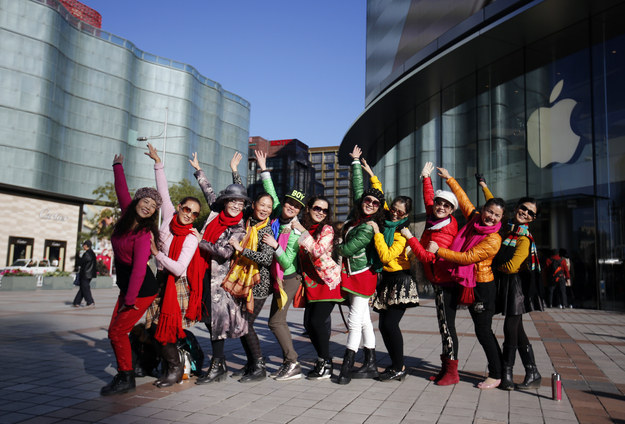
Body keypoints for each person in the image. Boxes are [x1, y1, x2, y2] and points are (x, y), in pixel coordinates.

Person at [101, 154, 162, 396]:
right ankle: (129, 370)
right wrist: (117, 165)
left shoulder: (144, 235)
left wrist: (130, 299)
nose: (148, 206)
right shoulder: (127, 216)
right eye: (145, 201)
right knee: (113, 331)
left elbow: (139, 269)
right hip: (127, 287)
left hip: (140, 289)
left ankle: (126, 376)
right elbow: (121, 189)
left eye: (153, 206)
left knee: (117, 331)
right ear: (137, 201)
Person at [143, 143, 203, 388]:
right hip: (159, 279)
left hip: (176, 284)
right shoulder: (168, 216)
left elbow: (178, 268)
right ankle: (171, 363)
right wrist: (158, 162)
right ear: (179, 207)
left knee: (164, 329)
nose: (189, 214)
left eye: (194, 213)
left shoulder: (190, 237)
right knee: (150, 326)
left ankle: (175, 369)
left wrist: (157, 253)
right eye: (186, 209)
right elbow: (163, 190)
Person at [190, 152, 249, 385]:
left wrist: (200, 241)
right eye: (232, 201)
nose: (236, 205)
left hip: (220, 280)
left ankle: (217, 365)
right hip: (202, 272)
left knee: (217, 322)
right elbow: (209, 192)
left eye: (240, 203)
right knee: (208, 319)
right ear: (225, 203)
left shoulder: (240, 228)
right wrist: (199, 170)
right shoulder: (216, 212)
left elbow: (225, 252)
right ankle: (220, 363)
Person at [400, 162, 459, 385]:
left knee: (447, 327)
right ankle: (446, 369)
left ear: (452, 210)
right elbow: (429, 198)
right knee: (443, 325)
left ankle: (452, 372)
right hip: (438, 281)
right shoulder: (435, 218)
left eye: (446, 205)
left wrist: (410, 237)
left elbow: (426, 257)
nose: (440, 206)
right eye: (439, 203)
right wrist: (425, 177)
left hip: (445, 283)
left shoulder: (444, 230)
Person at [360, 159, 418, 382]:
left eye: (399, 212)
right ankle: (396, 364)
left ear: (406, 215)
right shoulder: (387, 219)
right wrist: (372, 176)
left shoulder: (402, 233)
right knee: (384, 325)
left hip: (400, 280)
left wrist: (376, 232)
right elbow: (381, 198)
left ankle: (399, 366)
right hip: (387, 280)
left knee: (389, 324)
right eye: (393, 209)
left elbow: (385, 256)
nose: (394, 213)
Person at [335, 146, 386, 385]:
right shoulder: (359, 217)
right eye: (368, 200)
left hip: (362, 276)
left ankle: (346, 367)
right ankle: (371, 363)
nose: (370, 204)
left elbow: (347, 250)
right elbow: (358, 188)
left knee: (355, 322)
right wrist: (355, 162)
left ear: (379, 208)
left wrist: (331, 246)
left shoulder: (367, 227)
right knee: (364, 320)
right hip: (355, 274)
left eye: (376, 203)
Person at [253, 150, 306, 381]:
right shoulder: (275, 214)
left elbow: (288, 262)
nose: (291, 207)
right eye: (289, 203)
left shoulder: (295, 232)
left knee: (275, 321)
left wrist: (276, 246)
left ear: (299, 211)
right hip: (277, 277)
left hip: (290, 279)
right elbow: (272, 191)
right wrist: (264, 169)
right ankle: (290, 361)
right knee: (276, 321)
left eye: (296, 206)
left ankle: (293, 362)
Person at [221, 163, 275, 383]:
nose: (264, 209)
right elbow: (239, 194)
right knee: (242, 323)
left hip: (259, 284)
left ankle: (259, 366)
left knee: (246, 324)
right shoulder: (248, 219)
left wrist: (243, 250)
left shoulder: (266, 230)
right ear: (254, 205)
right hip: (243, 279)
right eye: (262, 205)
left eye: (269, 207)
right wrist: (235, 170)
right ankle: (252, 363)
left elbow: (266, 259)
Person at [493, 197, 544, 390]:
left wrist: (493, 266)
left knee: (509, 328)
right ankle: (533, 372)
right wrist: (483, 185)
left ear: (533, 218)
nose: (526, 213)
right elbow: (493, 201)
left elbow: (513, 266)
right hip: (506, 284)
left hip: (516, 287)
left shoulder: (523, 237)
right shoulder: (508, 229)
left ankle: (507, 374)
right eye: (524, 208)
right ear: (516, 208)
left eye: (531, 213)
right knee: (518, 330)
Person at [292, 196, 343, 379]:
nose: (320, 212)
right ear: (308, 209)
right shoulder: (301, 227)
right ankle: (323, 360)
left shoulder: (327, 229)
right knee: (308, 324)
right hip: (310, 283)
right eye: (317, 208)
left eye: (324, 210)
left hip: (327, 283)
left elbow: (318, 251)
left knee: (316, 322)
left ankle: (325, 362)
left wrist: (302, 232)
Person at [73, 240, 97, 308]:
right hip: (90, 274)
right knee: (83, 288)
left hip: (85, 274)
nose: (83, 246)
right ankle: (76, 302)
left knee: (85, 288)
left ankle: (90, 302)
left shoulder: (87, 254)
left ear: (86, 246)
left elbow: (81, 262)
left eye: (83, 245)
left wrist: (78, 259)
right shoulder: (93, 253)